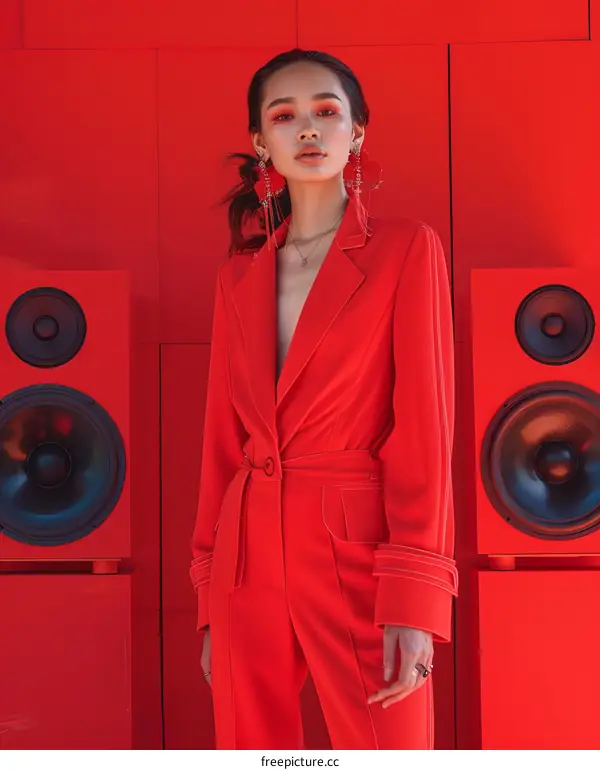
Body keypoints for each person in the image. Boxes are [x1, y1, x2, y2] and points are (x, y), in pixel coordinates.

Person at [189, 48, 458, 750]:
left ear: (356, 132)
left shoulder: (405, 249)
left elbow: (425, 432)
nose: (308, 128)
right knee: (254, 752)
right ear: (261, 143)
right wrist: (210, 597)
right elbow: (221, 442)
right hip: (245, 555)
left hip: (357, 548)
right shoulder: (238, 278)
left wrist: (416, 596)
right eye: (285, 116)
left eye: (326, 111)